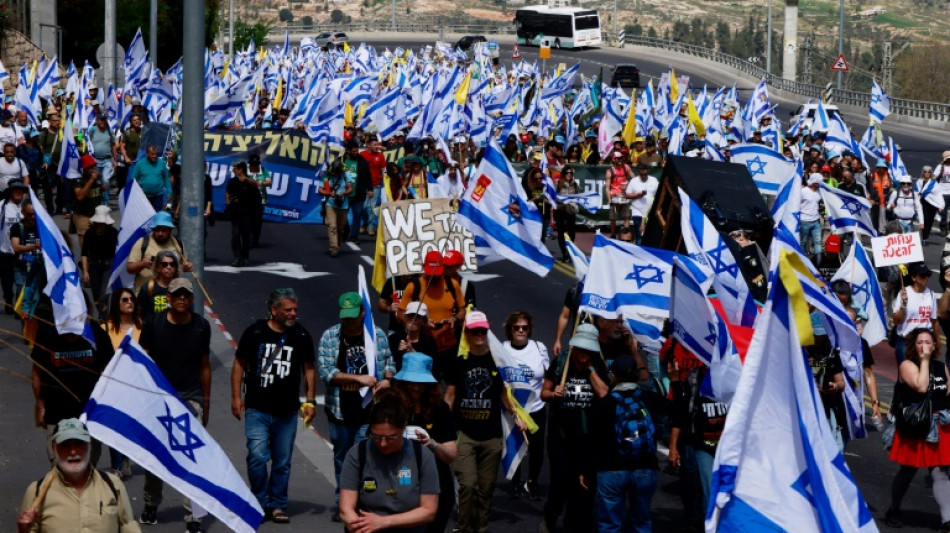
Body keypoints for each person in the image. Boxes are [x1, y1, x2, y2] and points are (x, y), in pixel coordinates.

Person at [231, 288, 316, 524]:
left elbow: (309, 369)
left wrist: (309, 401)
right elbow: (239, 364)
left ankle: (278, 504)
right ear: (273, 310)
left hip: (287, 412)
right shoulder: (255, 332)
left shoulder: (301, 336)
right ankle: (259, 501)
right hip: (257, 409)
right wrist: (236, 397)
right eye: (287, 310)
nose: (293, 314)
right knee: (257, 456)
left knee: (282, 462)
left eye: (295, 310)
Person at [137, 278, 211, 532]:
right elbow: (143, 362)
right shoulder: (153, 324)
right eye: (177, 294)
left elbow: (204, 366)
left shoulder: (201, 327)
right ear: (167, 298)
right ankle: (150, 503)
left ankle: (194, 516)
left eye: (186, 295)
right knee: (156, 457)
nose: (182, 299)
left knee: (191, 458)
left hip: (191, 398)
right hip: (159, 398)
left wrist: (206, 404)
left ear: (191, 299)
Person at [445, 311, 527, 533]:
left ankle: (481, 528)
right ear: (468, 333)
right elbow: (450, 397)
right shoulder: (458, 360)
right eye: (475, 331)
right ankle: (464, 528)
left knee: (487, 488)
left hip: (492, 437)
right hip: (466, 435)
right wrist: (443, 426)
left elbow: (504, 395)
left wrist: (517, 416)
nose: (479, 334)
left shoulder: (497, 361)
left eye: (483, 330)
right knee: (468, 485)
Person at [317, 291, 396, 522]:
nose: (349, 321)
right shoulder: (331, 336)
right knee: (342, 456)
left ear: (363, 313)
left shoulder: (377, 336)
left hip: (369, 411)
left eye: (353, 316)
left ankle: (364, 502)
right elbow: (326, 371)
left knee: (366, 456)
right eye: (345, 317)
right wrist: (357, 378)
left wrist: (388, 379)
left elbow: (389, 362)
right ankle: (343, 501)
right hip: (340, 408)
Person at [586, 355, 669, 533]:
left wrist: (585, 469)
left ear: (613, 376)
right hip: (645, 468)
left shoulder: (604, 404)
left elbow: (592, 439)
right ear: (636, 375)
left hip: (611, 469)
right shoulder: (649, 398)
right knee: (641, 521)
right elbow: (678, 413)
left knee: (610, 525)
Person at [540, 323, 610, 533]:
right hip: (561, 437)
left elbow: (605, 394)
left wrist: (590, 369)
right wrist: (554, 394)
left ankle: (576, 525)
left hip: (588, 439)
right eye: (580, 349)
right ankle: (550, 518)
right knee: (560, 484)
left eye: (587, 350)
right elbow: (544, 392)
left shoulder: (598, 365)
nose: (583, 354)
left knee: (585, 488)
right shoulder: (561, 363)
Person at [17, 418, 141, 533]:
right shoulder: (36, 491)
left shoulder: (113, 485)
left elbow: (129, 526)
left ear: (90, 445)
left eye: (79, 443)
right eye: (65, 445)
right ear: (54, 448)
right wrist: (23, 530)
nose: (73, 451)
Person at [339, 394, 440, 533]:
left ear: (404, 426)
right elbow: (346, 508)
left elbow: (429, 511)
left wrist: (383, 522)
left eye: (391, 437)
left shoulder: (422, 455)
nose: (383, 443)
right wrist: (356, 524)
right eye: (377, 437)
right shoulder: (357, 454)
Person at [884, 328, 950, 531]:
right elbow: (921, 387)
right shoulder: (907, 365)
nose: (924, 346)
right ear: (914, 346)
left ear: (934, 345)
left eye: (928, 342)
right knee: (908, 471)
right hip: (915, 427)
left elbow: (948, 391)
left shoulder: (941, 367)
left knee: (940, 474)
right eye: (920, 342)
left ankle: (947, 521)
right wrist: (924, 361)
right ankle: (894, 510)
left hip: (938, 426)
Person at [392, 352, 459, 533]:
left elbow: (451, 455)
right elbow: (371, 442)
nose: (415, 388)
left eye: (420, 383)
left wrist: (432, 444)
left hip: (436, 486)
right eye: (411, 382)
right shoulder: (390, 406)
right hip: (399, 486)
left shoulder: (440, 409)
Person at [501, 311, 549, 501]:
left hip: (536, 407)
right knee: (515, 444)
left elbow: (546, 375)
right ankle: (515, 482)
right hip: (513, 408)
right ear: (510, 330)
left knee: (537, 447)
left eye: (524, 327)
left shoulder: (539, 348)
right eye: (517, 327)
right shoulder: (502, 349)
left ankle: (532, 481)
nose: (521, 331)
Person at [101, 288, 143, 480]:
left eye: (132, 299)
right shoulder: (105, 329)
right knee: (116, 425)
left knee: (130, 427)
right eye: (125, 299)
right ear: (116, 304)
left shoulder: (143, 328)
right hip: (114, 386)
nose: (130, 302)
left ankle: (126, 458)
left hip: (137, 386)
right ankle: (117, 465)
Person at [126, 211, 193, 292]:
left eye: (163, 230)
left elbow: (182, 265)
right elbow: (129, 268)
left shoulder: (178, 244)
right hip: (147, 294)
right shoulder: (142, 243)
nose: (160, 233)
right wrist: (142, 264)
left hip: (172, 295)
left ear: (170, 230)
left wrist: (186, 267)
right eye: (157, 230)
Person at [893, 262, 939, 365]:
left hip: (924, 341)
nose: (926, 278)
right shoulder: (904, 293)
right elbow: (896, 320)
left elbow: (934, 321)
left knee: (924, 375)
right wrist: (904, 304)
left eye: (927, 275)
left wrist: (937, 341)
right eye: (922, 275)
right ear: (913, 277)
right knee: (906, 375)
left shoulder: (931, 295)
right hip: (906, 341)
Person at [81, 205, 118, 318]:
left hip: (108, 266)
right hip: (94, 267)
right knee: (96, 295)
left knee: (103, 294)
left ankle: (103, 318)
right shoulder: (89, 233)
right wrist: (85, 271)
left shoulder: (113, 233)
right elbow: (84, 253)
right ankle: (102, 314)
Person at [225, 161, 261, 267]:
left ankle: (245, 257)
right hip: (235, 212)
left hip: (247, 213)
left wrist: (245, 178)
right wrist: (228, 200)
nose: (233, 170)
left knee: (245, 236)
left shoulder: (249, 181)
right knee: (235, 235)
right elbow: (227, 192)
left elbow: (255, 185)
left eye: (235, 168)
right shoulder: (232, 181)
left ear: (241, 169)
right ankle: (237, 257)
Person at [0, 178, 27, 313]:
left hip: (22, 251)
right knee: (7, 280)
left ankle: (19, 304)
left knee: (22, 281)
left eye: (20, 190)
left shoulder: (25, 208)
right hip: (6, 252)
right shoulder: (2, 207)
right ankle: (8, 300)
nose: (18, 192)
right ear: (10, 192)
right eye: (15, 190)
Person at [319, 160, 353, 257]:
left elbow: (350, 188)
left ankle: (337, 244)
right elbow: (321, 189)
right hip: (331, 204)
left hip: (343, 205)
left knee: (340, 228)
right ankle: (333, 248)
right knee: (332, 226)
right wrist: (329, 193)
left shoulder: (346, 175)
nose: (336, 173)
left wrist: (344, 193)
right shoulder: (327, 176)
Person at [389, 301, 439, 369]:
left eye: (417, 317)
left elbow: (432, 369)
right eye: (410, 315)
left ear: (424, 321)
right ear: (405, 318)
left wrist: (412, 352)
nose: (413, 319)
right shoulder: (393, 339)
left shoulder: (429, 343)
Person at [136, 250, 180, 324]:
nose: (169, 267)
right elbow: (139, 312)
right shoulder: (148, 287)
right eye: (164, 264)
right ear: (158, 268)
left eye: (172, 264)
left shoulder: (181, 288)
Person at [10, 199, 40, 304]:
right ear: (23, 212)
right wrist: (33, 246)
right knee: (21, 288)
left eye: (34, 214)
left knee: (35, 291)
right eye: (29, 214)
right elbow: (16, 247)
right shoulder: (17, 227)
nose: (32, 217)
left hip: (37, 265)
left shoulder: (41, 227)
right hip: (21, 265)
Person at [72, 155, 106, 247]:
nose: (93, 169)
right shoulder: (79, 181)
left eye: (93, 166)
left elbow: (98, 190)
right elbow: (80, 197)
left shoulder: (97, 179)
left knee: (97, 244)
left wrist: (102, 187)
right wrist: (91, 180)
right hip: (84, 216)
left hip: (96, 216)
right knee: (85, 246)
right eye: (90, 167)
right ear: (84, 168)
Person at [344, 139, 372, 240]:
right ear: (349, 151)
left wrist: (370, 189)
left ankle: (354, 236)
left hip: (358, 194)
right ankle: (345, 230)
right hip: (344, 194)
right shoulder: (342, 160)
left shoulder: (362, 161)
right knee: (343, 215)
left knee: (357, 214)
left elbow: (367, 176)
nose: (356, 153)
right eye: (353, 151)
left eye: (357, 151)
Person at [129, 146, 171, 212]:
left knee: (157, 216)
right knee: (145, 215)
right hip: (144, 196)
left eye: (156, 154)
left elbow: (166, 179)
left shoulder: (161, 163)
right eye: (152, 154)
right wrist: (133, 193)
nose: (155, 156)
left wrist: (169, 192)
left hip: (158, 195)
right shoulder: (140, 164)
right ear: (147, 154)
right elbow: (133, 179)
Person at [625, 163, 659, 245]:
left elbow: (659, 192)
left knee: (650, 233)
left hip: (649, 211)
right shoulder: (634, 181)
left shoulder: (654, 180)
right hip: (637, 210)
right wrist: (638, 195)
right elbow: (627, 195)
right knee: (639, 232)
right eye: (641, 174)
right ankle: (639, 248)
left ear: (648, 172)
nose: (643, 176)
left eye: (645, 174)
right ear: (638, 172)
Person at [87, 113, 117, 204]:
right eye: (101, 119)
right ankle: (96, 203)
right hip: (95, 160)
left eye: (104, 119)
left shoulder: (109, 131)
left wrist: (115, 159)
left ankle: (106, 203)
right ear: (97, 120)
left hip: (107, 160)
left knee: (105, 180)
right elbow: (88, 142)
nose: (102, 121)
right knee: (95, 182)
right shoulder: (92, 130)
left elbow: (113, 145)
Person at [554, 167, 579, 262]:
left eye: (571, 173)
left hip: (570, 210)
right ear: (564, 174)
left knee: (571, 232)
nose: (569, 174)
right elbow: (554, 196)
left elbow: (577, 196)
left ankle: (570, 251)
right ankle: (564, 253)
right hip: (560, 210)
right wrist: (562, 200)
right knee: (561, 231)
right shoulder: (558, 183)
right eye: (567, 173)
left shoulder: (575, 184)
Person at [246, 154, 271, 248]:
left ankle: (255, 239)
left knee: (257, 220)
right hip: (248, 198)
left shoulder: (264, 171)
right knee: (248, 218)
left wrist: (262, 183)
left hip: (261, 197)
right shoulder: (246, 171)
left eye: (256, 164)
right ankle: (247, 239)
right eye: (253, 164)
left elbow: (269, 182)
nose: (254, 166)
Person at [606, 151, 633, 237]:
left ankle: (625, 233)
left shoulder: (626, 167)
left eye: (620, 158)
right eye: (618, 158)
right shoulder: (610, 171)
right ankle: (613, 233)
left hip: (624, 196)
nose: (620, 160)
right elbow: (607, 187)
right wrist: (609, 199)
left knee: (627, 216)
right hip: (614, 196)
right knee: (613, 218)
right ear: (613, 159)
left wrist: (630, 185)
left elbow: (634, 178)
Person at [801, 173, 824, 260]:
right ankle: (803, 262)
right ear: (815, 183)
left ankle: (818, 263)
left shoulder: (820, 192)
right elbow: (796, 203)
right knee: (803, 242)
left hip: (816, 221)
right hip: (804, 221)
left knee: (817, 242)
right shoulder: (803, 191)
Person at [919, 166, 942, 244]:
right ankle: (924, 238)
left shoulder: (934, 183)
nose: (927, 173)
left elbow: (938, 193)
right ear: (923, 173)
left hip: (932, 204)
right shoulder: (920, 181)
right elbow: (916, 192)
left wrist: (940, 205)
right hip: (923, 203)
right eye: (925, 172)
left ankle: (927, 236)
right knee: (924, 220)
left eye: (929, 172)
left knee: (930, 221)